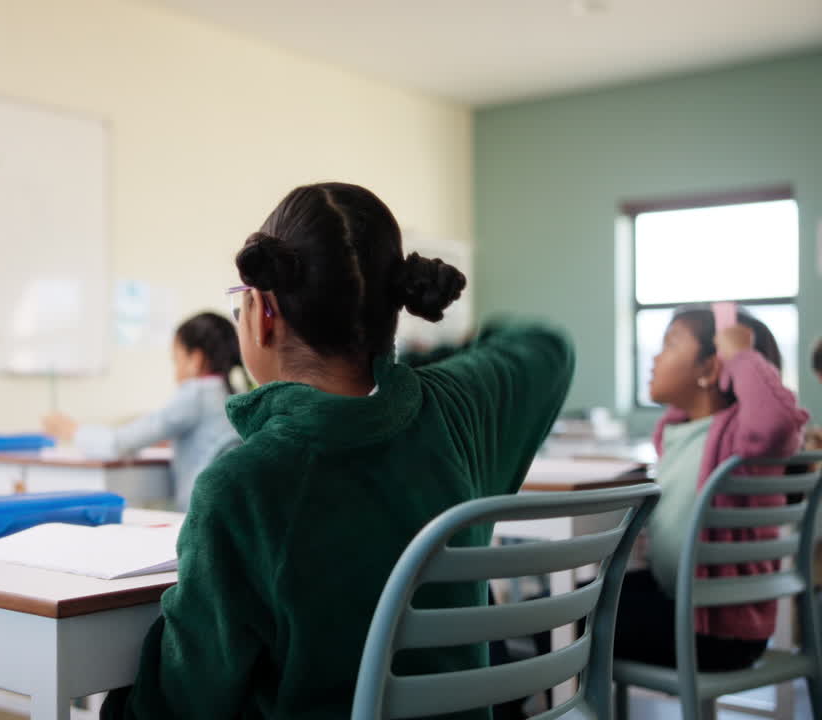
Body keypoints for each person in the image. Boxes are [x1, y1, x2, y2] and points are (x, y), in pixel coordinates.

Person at [100, 182, 574, 720]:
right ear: (396, 305)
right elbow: (544, 343)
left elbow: (185, 701)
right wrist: (423, 361)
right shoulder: (457, 412)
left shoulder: (241, 484)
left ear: (262, 311)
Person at [613, 307, 808, 671]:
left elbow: (778, 421)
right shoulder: (678, 432)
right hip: (681, 606)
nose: (654, 357)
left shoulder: (738, 437)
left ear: (709, 368)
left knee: (558, 618)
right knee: (554, 604)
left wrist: (740, 357)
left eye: (669, 344)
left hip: (716, 630)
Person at [42, 312, 243, 511]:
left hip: (199, 514)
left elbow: (119, 443)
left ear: (195, 360)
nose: (175, 372)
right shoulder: (230, 394)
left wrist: (72, 430)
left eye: (176, 360)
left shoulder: (196, 395)